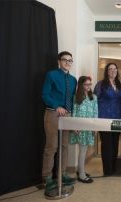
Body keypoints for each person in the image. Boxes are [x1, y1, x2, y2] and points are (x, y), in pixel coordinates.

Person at [41, 51, 77, 192]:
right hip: (53, 114)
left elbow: (73, 100)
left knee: (64, 146)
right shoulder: (52, 75)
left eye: (70, 60)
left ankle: (62, 174)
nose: (67, 62)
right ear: (59, 61)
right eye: (64, 60)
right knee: (52, 147)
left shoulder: (73, 79)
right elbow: (45, 94)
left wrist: (73, 118)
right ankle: (47, 178)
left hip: (67, 115)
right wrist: (57, 106)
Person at [94, 63, 121, 176]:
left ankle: (113, 168)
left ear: (117, 71)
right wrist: (94, 117)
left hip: (117, 117)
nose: (112, 70)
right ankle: (107, 171)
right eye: (110, 69)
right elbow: (94, 101)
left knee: (114, 143)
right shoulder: (100, 84)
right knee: (106, 144)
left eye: (114, 69)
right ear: (107, 71)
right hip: (104, 118)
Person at [70, 76, 98, 183]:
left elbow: (96, 112)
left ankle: (81, 170)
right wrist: (74, 126)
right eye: (86, 84)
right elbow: (74, 112)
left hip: (90, 127)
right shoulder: (76, 97)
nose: (89, 86)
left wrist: (95, 127)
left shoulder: (94, 97)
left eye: (90, 84)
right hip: (80, 128)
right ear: (81, 85)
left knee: (85, 150)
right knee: (82, 150)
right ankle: (81, 175)